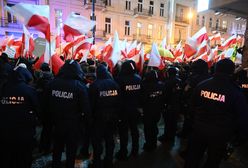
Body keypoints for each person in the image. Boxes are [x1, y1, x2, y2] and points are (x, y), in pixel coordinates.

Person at [184, 59, 248, 168]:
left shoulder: (202, 85)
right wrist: (240, 137)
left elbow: (192, 106)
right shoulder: (236, 92)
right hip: (220, 135)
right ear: (232, 72)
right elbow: (242, 117)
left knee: (193, 158)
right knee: (213, 161)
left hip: (199, 129)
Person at [45, 60, 90, 168]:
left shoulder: (52, 83)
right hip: (73, 124)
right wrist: (87, 123)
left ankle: (56, 165)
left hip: (57, 123)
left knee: (57, 147)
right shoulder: (80, 86)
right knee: (71, 149)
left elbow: (45, 104)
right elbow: (86, 108)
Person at [0, 64, 40, 168]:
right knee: (23, 158)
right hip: (24, 131)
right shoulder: (29, 90)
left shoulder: (4, 88)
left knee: (7, 157)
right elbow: (37, 109)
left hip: (5, 130)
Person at [89, 64, 120, 168]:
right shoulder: (114, 84)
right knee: (109, 140)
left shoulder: (95, 85)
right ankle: (109, 160)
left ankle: (97, 162)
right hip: (112, 117)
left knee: (97, 141)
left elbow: (91, 104)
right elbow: (118, 101)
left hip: (99, 118)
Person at [115, 60, 142, 160]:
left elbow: (117, 97)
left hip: (123, 111)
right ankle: (135, 150)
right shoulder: (138, 78)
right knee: (134, 130)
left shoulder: (119, 79)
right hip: (135, 110)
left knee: (123, 132)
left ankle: (123, 152)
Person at [142, 70, 165, 152]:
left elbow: (143, 99)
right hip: (157, 110)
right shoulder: (161, 85)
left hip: (148, 111)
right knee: (154, 126)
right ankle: (154, 142)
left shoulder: (144, 86)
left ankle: (149, 144)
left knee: (148, 128)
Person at [159, 66, 182, 144]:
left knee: (168, 122)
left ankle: (166, 137)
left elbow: (164, 95)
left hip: (169, 105)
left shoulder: (168, 82)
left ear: (168, 73)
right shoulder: (179, 81)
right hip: (177, 104)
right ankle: (171, 137)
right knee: (173, 122)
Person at [36, 63, 54, 154]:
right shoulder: (53, 81)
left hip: (41, 108)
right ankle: (47, 147)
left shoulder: (39, 80)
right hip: (50, 109)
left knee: (44, 129)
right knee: (49, 129)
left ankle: (41, 147)